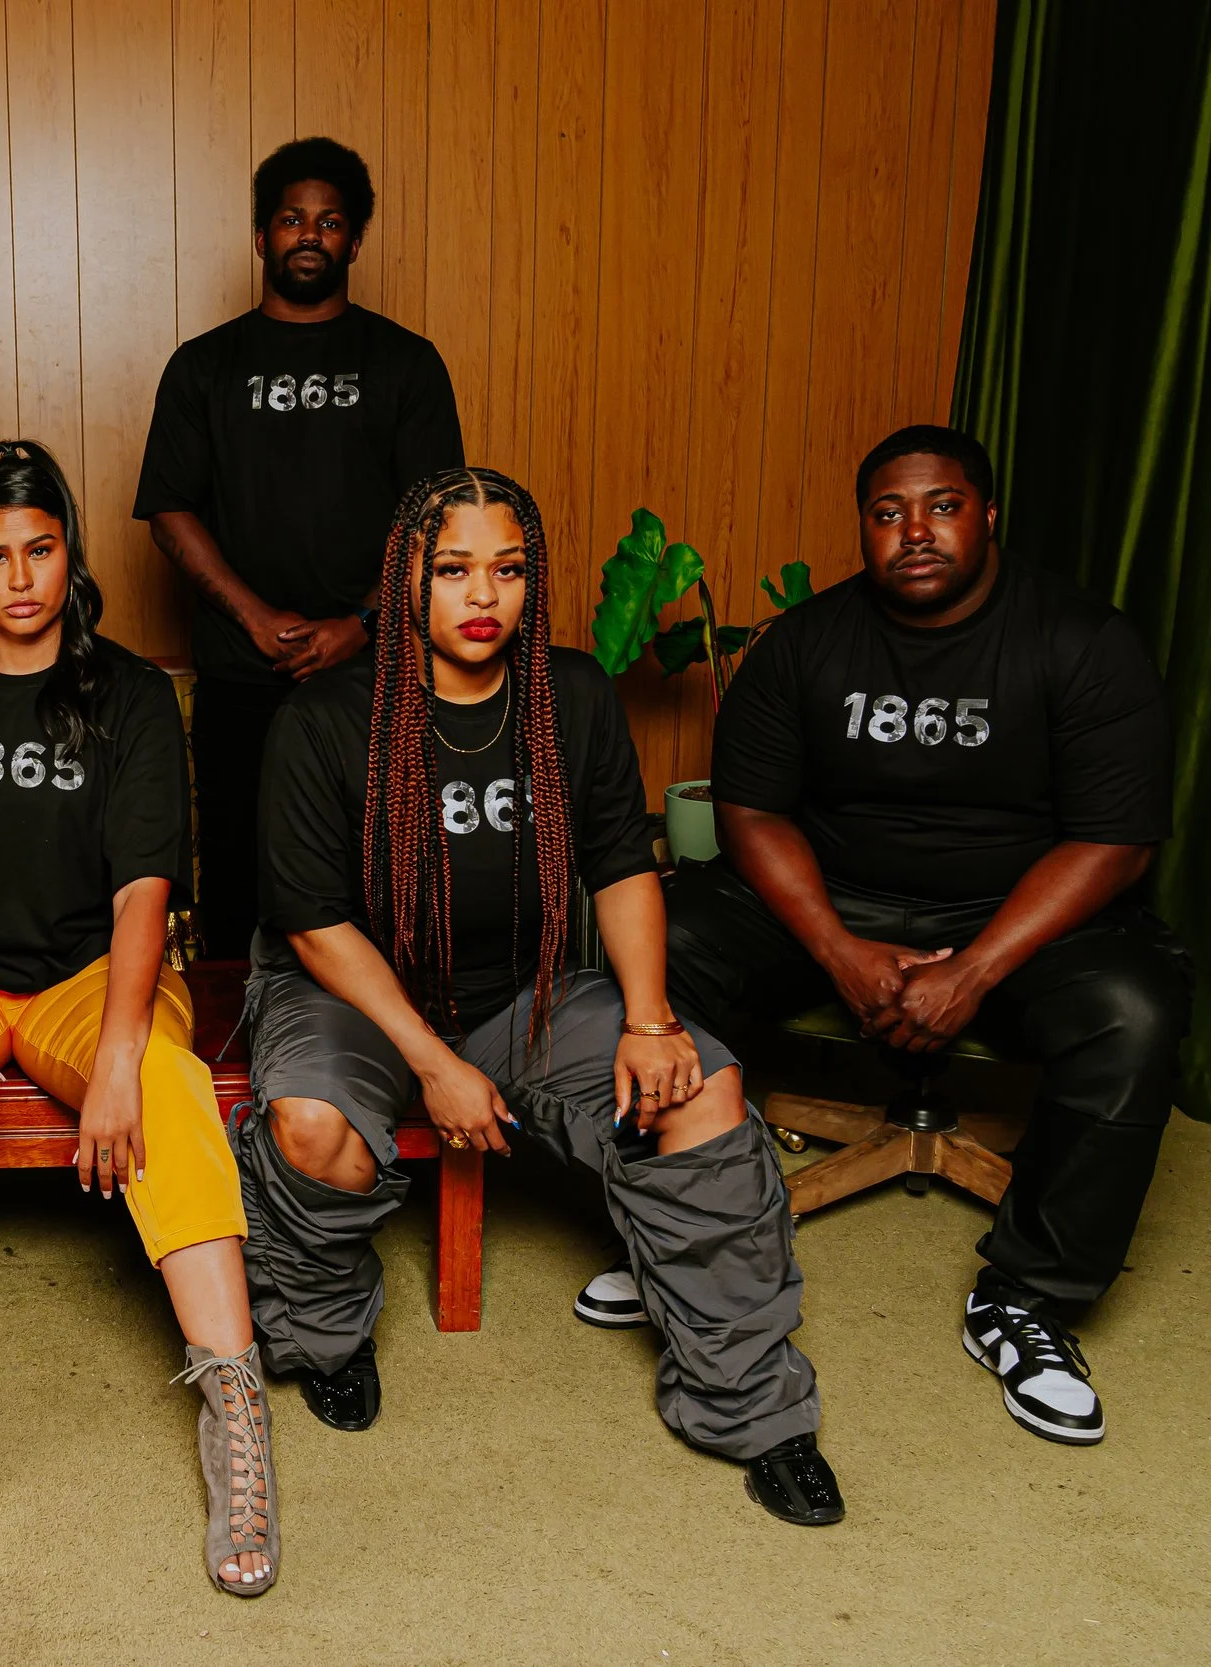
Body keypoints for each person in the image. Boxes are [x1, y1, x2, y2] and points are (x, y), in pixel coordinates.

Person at [241, 467, 845, 1526]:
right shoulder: (326, 717)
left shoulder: (568, 695)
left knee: (702, 1090)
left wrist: (651, 1019)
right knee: (309, 1125)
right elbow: (311, 921)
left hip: (522, 989)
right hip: (352, 998)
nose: (485, 595)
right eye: (455, 569)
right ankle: (324, 1331)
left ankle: (751, 1404)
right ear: (405, 580)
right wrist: (433, 1065)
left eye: (509, 569)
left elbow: (619, 861)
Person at [663, 424, 1189, 1448]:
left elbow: (1116, 839)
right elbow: (752, 812)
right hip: (836, 897)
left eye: (941, 505)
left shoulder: (1081, 640)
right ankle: (684, 1229)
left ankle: (1028, 1299)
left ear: (986, 515)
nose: (915, 530)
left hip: (1019, 914)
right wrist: (835, 947)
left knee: (1133, 1009)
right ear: (863, 526)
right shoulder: (806, 642)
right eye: (888, 511)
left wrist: (982, 964)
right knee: (662, 937)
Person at [0, 441, 277, 1596]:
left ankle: (234, 1399)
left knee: (169, 1086)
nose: (17, 576)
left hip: (87, 975)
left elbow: (144, 888)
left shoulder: (124, 692)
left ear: (69, 553)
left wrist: (121, 1047)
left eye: (39, 548)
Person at [136, 136, 464, 958]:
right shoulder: (203, 367)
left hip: (374, 678)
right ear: (261, 238)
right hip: (244, 678)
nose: (309, 235)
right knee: (244, 886)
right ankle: (241, 1065)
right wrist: (252, 617)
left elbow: (436, 522)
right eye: (291, 219)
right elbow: (168, 509)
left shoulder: (407, 365)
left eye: (329, 221)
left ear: (354, 241)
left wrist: (361, 624)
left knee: (375, 879)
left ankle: (375, 1056)